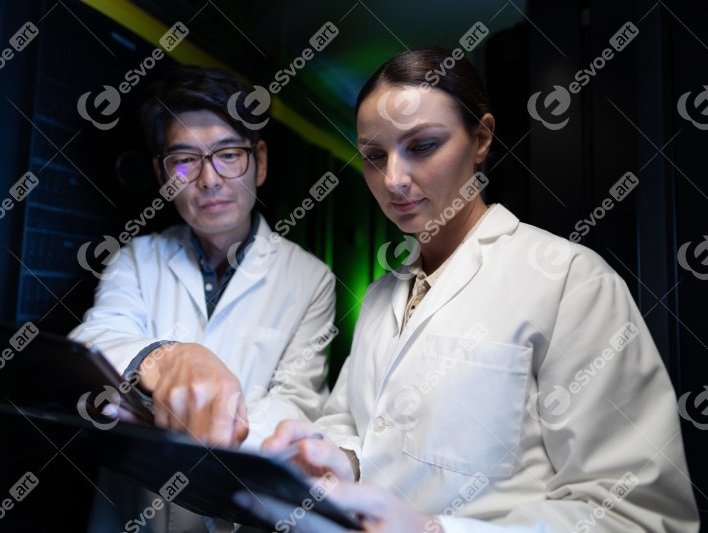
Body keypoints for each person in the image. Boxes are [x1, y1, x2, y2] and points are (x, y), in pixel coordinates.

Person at [243, 47, 700, 532]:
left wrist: (436, 530)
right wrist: (339, 460)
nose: (393, 179)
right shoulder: (381, 295)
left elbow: (640, 516)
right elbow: (356, 425)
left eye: (421, 146)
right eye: (374, 155)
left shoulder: (570, 280)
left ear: (481, 138)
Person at [68, 65, 336, 532]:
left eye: (228, 155)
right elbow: (92, 341)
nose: (209, 180)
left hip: (236, 514)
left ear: (261, 161)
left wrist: (167, 414)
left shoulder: (311, 278)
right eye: (185, 161)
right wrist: (166, 361)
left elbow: (297, 405)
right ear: (162, 173)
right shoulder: (137, 256)